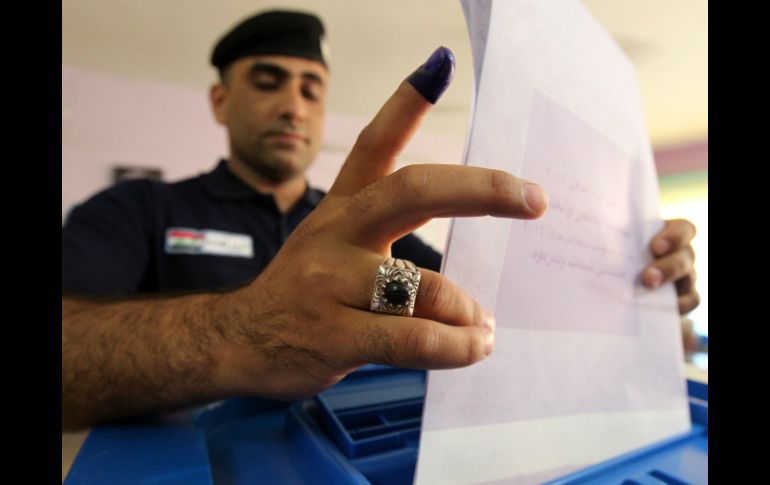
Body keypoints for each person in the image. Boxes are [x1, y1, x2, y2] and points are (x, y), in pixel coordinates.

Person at [61, 10, 700, 431]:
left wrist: (631, 299)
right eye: (268, 81)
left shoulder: (374, 231)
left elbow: (494, 324)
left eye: (312, 89)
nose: (293, 104)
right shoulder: (138, 210)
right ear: (220, 101)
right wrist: (242, 333)